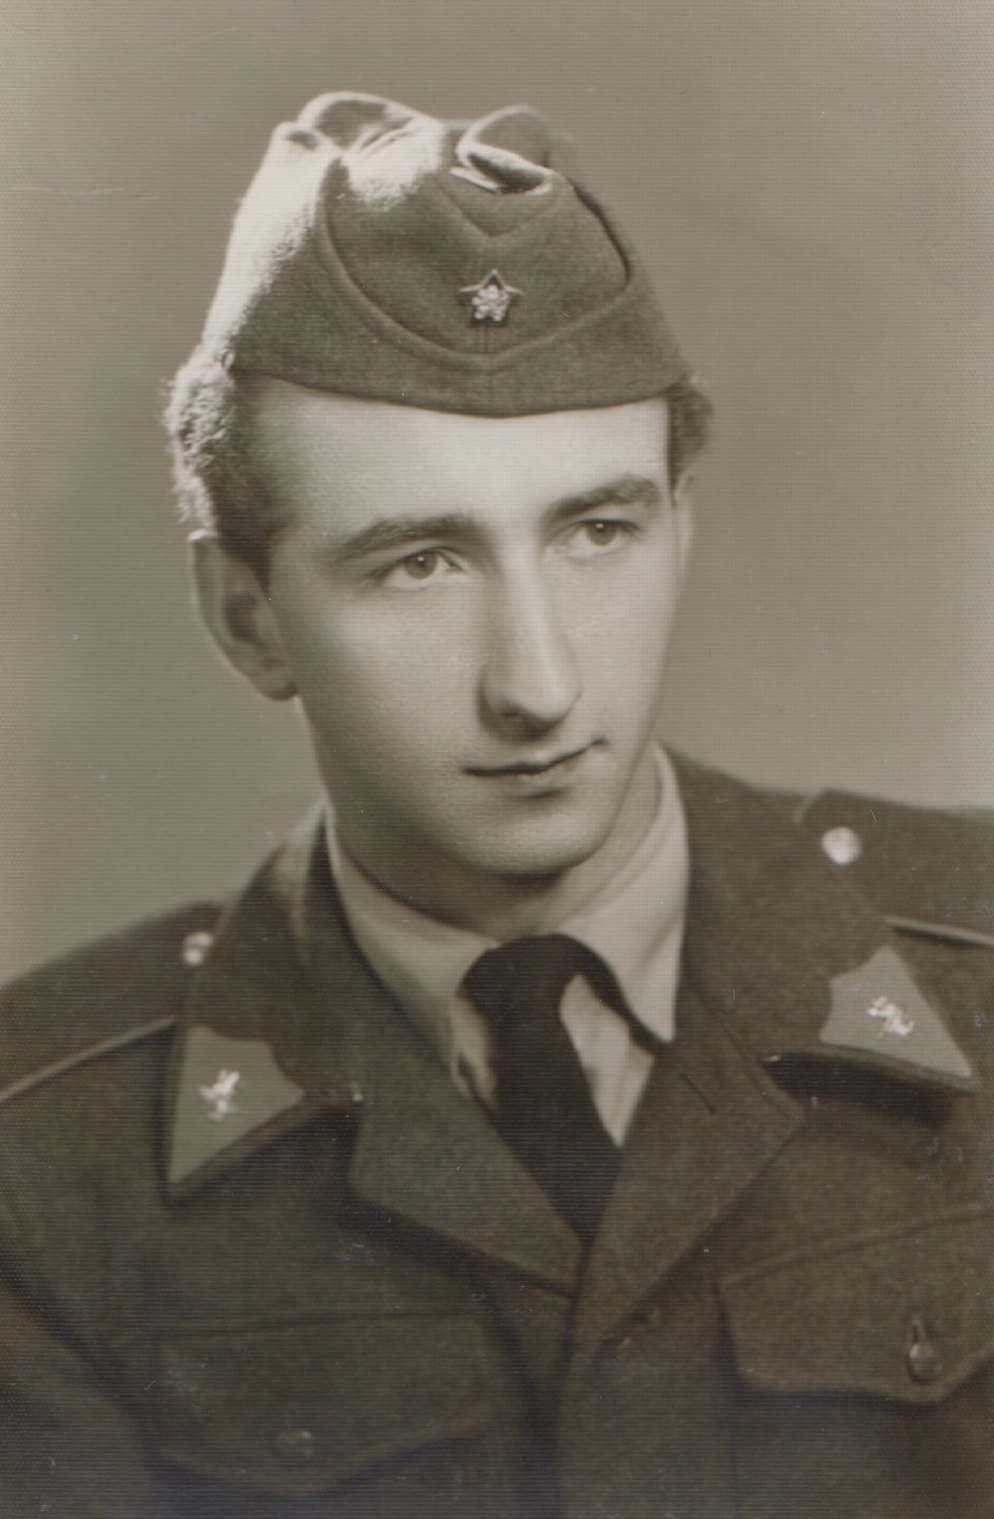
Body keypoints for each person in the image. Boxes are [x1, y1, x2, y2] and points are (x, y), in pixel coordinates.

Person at [0, 93, 991, 1519]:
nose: (538, 684)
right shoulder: (46, 1168)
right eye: (419, 563)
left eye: (598, 531)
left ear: (681, 527)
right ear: (245, 617)